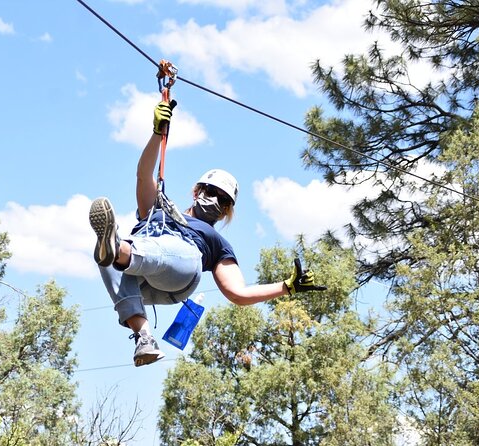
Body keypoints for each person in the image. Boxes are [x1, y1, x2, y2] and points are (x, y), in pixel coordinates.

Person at [89, 101, 326, 367]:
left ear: (226, 212)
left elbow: (238, 293)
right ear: (197, 191)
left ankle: (118, 249)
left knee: (126, 250)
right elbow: (144, 174)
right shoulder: (158, 207)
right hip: (141, 280)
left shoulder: (218, 244)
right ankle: (144, 336)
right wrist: (157, 132)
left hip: (179, 272)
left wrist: (286, 287)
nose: (215, 201)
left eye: (223, 201)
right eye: (211, 192)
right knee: (105, 257)